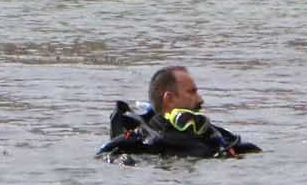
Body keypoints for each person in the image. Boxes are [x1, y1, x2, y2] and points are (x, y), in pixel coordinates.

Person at [98, 65, 260, 159]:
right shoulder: (141, 142)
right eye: (191, 92)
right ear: (169, 99)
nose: (200, 99)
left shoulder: (217, 137)